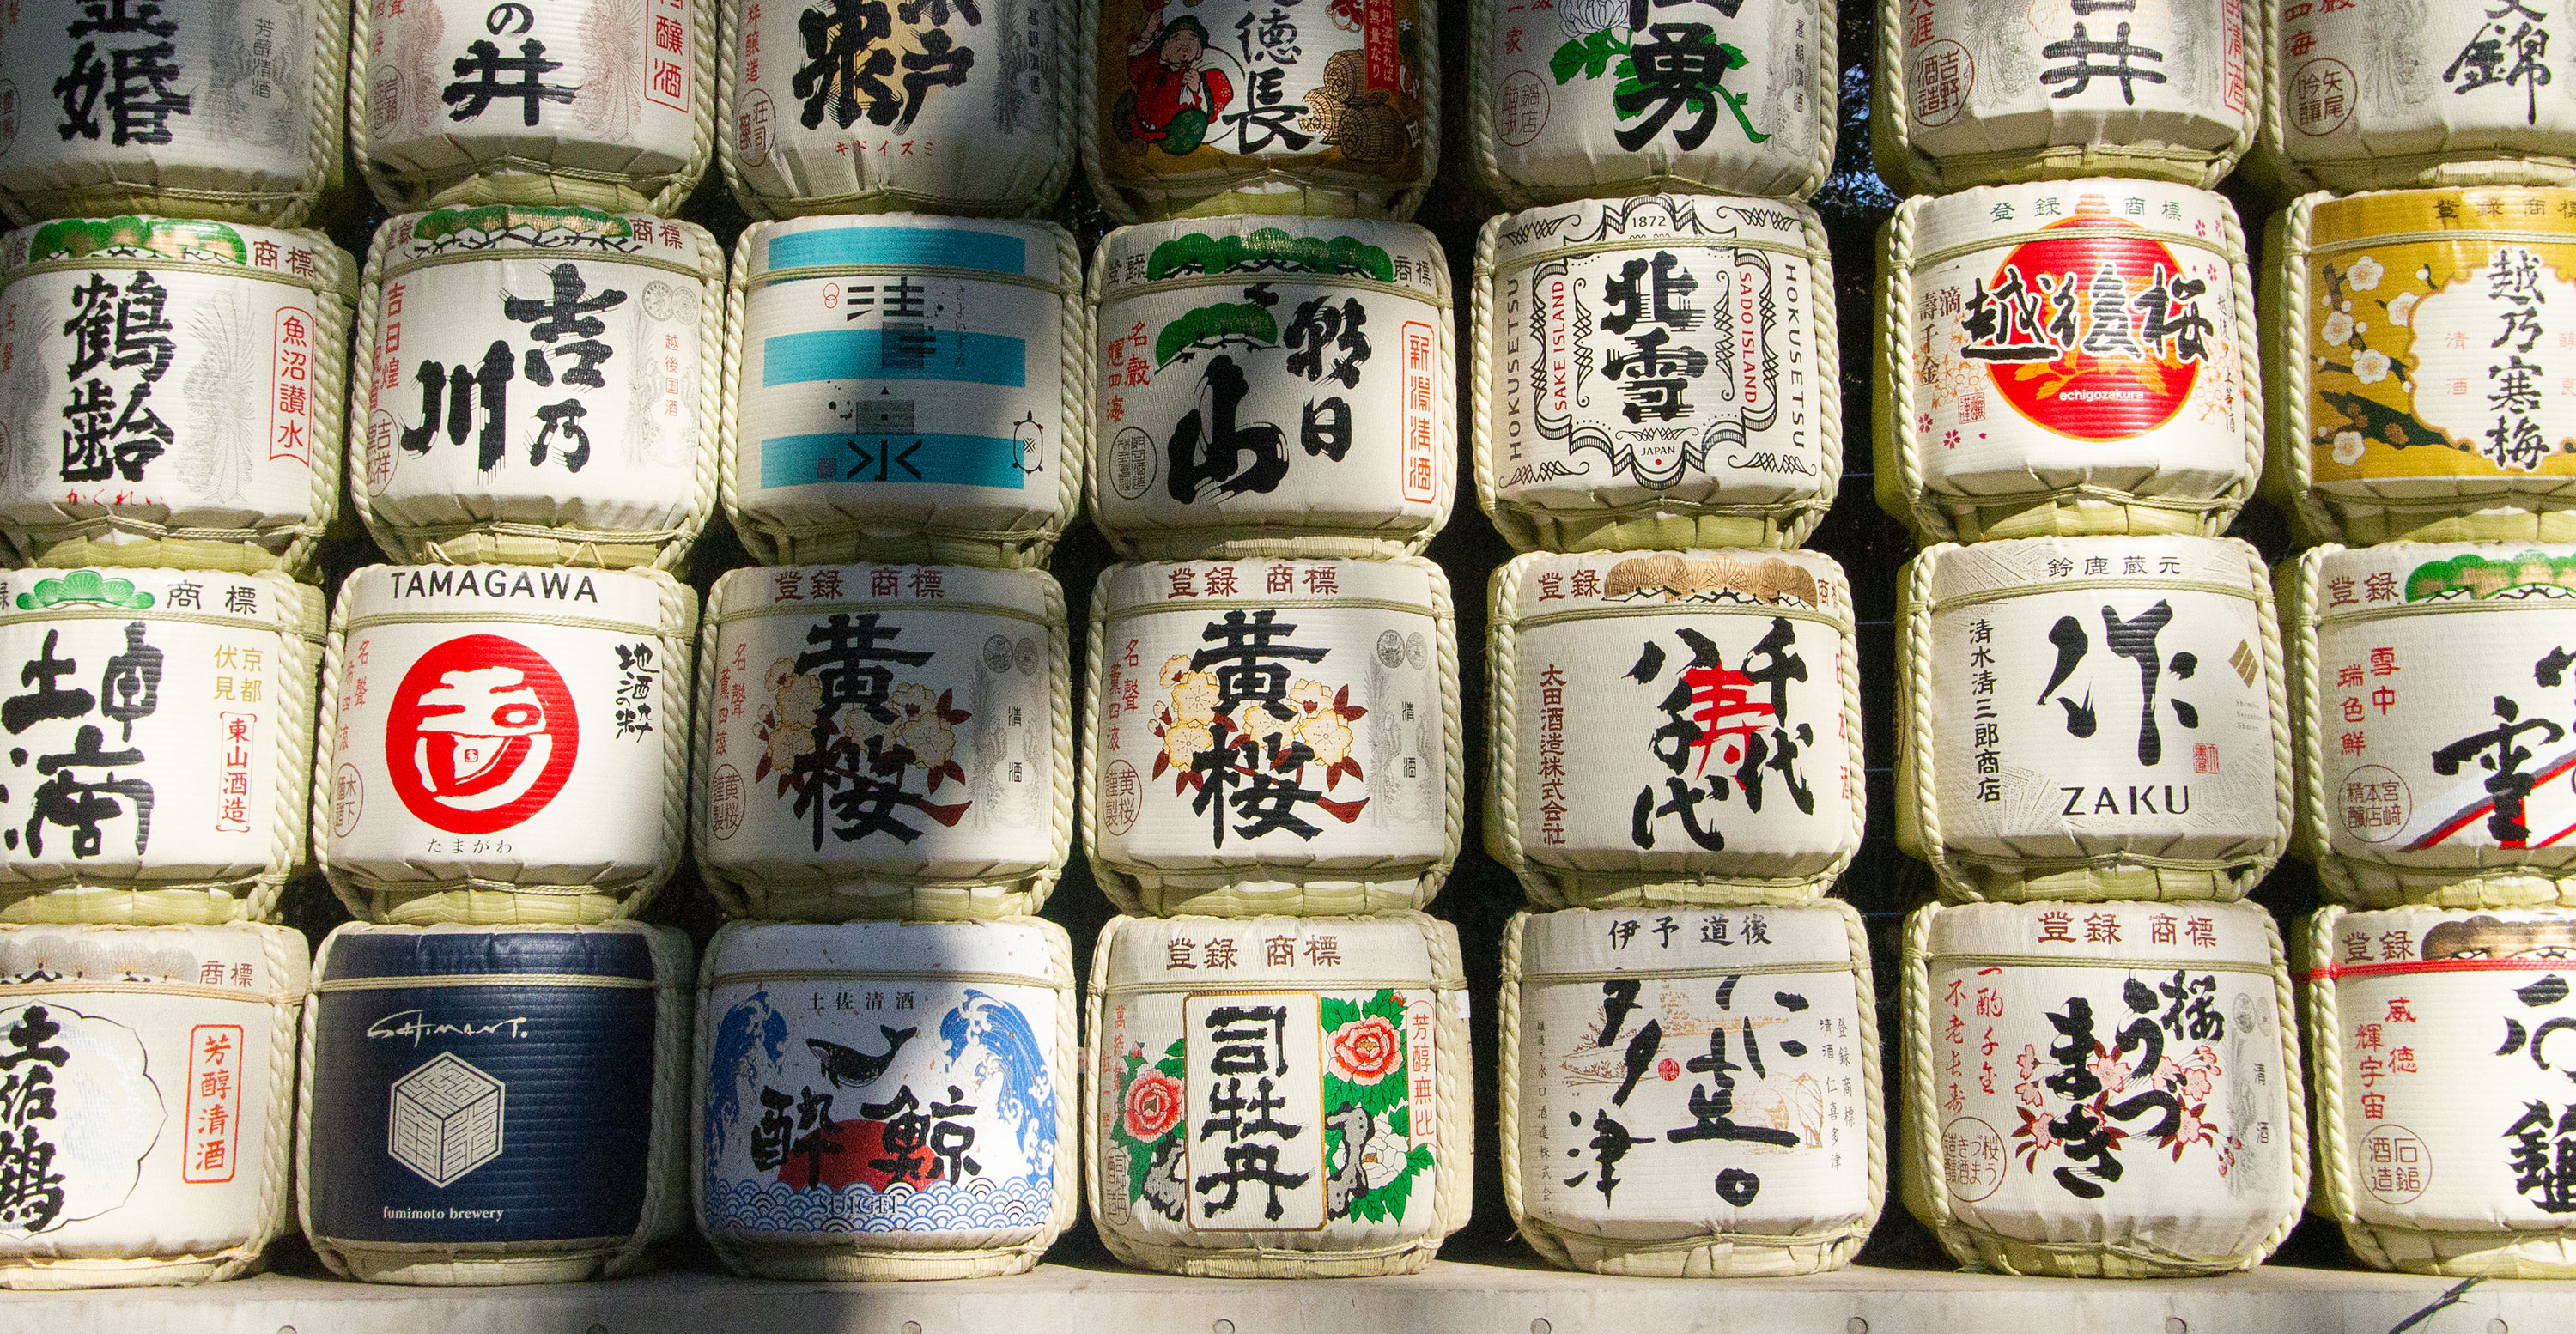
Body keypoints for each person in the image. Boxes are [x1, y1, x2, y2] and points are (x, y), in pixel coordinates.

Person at [1116, 5, 1232, 155]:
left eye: (1191, 39)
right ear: (1165, 46)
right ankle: (1130, 132)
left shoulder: (1195, 75)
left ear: (1199, 50)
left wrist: (1196, 88)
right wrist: (1147, 33)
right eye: (1177, 39)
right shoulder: (1152, 62)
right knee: (1127, 102)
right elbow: (1133, 69)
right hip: (1138, 120)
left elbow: (1205, 108)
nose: (1184, 45)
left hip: (1168, 133)